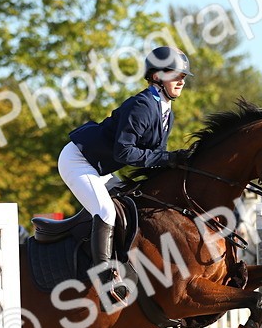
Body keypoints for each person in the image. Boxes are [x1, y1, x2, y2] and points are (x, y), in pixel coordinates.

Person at [63, 46, 194, 301]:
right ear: (156, 76)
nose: (182, 80)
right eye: (175, 74)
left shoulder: (166, 112)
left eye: (184, 76)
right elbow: (124, 154)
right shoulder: (143, 105)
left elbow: (154, 158)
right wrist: (169, 158)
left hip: (100, 167)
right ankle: (105, 281)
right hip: (78, 160)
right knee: (106, 211)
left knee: (132, 204)